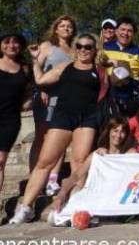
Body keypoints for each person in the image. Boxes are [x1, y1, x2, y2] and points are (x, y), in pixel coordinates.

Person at [10, 33, 102, 224]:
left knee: (79, 163)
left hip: (87, 118)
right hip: (63, 116)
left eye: (88, 47)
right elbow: (41, 80)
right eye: (80, 46)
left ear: (94, 50)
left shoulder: (98, 69)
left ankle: (75, 206)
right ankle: (26, 207)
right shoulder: (65, 66)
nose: (83, 50)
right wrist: (36, 61)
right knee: (45, 162)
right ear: (75, 48)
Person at [49, 117, 136, 214]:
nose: (118, 135)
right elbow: (77, 175)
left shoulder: (129, 154)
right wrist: (61, 195)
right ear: (109, 132)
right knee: (76, 190)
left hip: (120, 196)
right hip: (99, 196)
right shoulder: (98, 154)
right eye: (115, 131)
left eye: (122, 132)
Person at [30, 15, 76, 196]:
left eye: (69, 26)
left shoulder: (74, 51)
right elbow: (37, 68)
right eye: (62, 25)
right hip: (46, 97)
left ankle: (52, 179)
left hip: (66, 100)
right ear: (55, 29)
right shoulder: (47, 47)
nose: (66, 28)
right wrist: (41, 88)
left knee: (61, 139)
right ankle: (35, 178)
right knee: (41, 137)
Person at [0, 32, 31, 193]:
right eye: (7, 42)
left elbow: (30, 91)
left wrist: (29, 100)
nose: (11, 45)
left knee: (0, 161)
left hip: (10, 120)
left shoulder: (25, 69)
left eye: (16, 42)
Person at [103, 16, 139, 117]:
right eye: (122, 29)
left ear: (133, 34)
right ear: (116, 31)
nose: (125, 33)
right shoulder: (105, 47)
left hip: (130, 96)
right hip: (108, 96)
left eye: (129, 31)